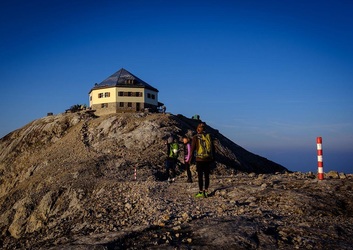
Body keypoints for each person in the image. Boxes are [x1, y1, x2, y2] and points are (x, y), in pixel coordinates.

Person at [188, 123, 214, 198]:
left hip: (199, 159)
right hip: (208, 159)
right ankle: (206, 191)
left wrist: (190, 159)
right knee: (207, 176)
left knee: (200, 176)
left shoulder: (195, 137)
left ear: (198, 129)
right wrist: (212, 158)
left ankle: (200, 192)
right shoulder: (208, 137)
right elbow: (213, 148)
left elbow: (192, 149)